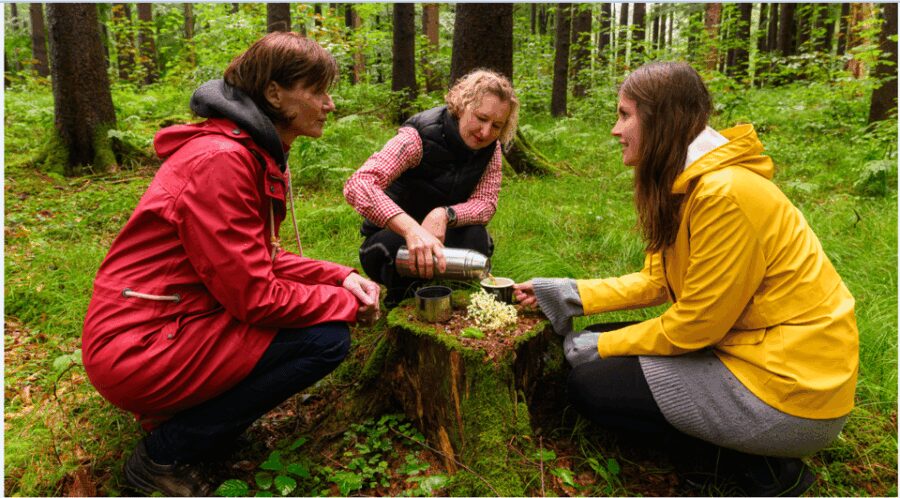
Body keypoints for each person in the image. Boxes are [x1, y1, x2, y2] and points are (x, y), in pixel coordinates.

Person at [514, 62, 858, 496]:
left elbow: (698, 324)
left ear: (662, 119)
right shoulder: (688, 184)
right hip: (752, 355)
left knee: (592, 382)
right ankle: (733, 450)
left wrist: (602, 347)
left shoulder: (724, 195)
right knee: (599, 341)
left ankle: (765, 471)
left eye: (625, 115)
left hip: (792, 393)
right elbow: (656, 281)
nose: (615, 130)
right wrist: (566, 294)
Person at [81, 33, 380, 496]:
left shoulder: (244, 150)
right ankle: (164, 453)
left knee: (319, 323)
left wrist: (340, 275)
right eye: (317, 90)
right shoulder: (222, 161)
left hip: (170, 323)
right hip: (139, 346)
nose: (329, 103)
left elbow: (259, 259)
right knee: (324, 339)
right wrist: (340, 303)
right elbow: (254, 297)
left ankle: (201, 425)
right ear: (275, 93)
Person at [343, 69, 519, 306]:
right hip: (393, 237)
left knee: (479, 241)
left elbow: (486, 204)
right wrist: (411, 229)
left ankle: (455, 296)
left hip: (443, 234)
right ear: (462, 105)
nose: (486, 132)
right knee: (385, 251)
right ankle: (402, 301)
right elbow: (359, 184)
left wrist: (445, 214)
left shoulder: (491, 150)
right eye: (481, 118)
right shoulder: (418, 136)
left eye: (497, 125)